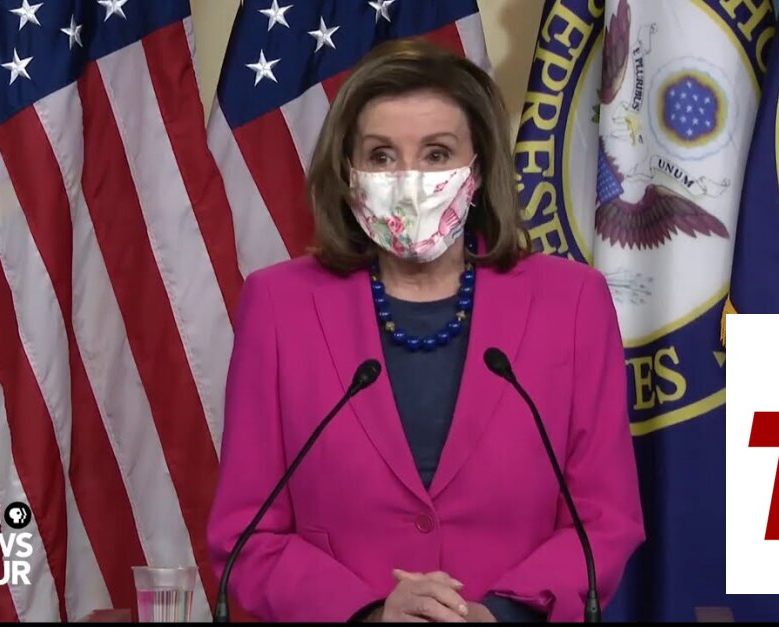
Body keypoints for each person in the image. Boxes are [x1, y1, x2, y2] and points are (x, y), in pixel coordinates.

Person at [207, 38, 644, 623]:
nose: (409, 178)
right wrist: (366, 614)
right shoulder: (278, 306)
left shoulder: (572, 303)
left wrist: (500, 616)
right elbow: (246, 532)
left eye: (437, 154)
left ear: (478, 169)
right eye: (382, 156)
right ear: (348, 173)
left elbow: (605, 519)